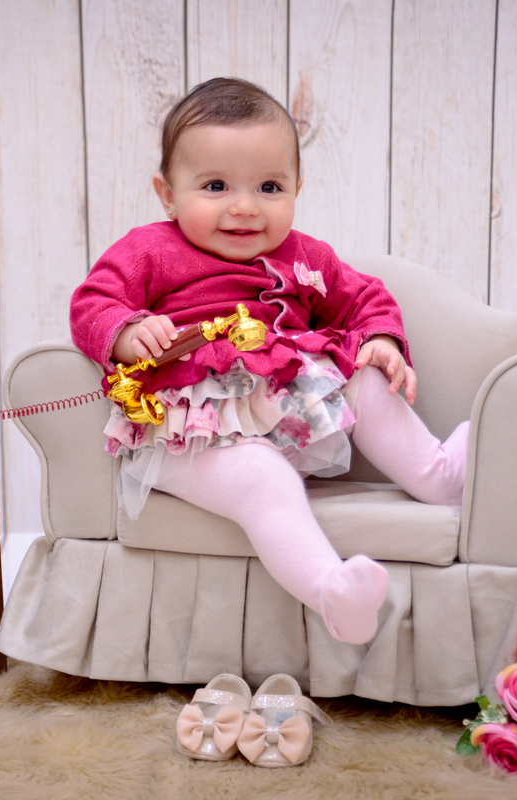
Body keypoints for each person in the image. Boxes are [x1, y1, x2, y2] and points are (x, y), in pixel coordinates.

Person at [70, 77, 468, 646]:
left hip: (292, 419)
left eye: (269, 186)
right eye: (215, 186)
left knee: (366, 378)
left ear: (296, 189)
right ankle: (333, 592)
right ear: (168, 194)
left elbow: (364, 298)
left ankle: (441, 476)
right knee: (260, 475)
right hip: (191, 439)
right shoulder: (150, 250)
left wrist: (382, 340)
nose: (244, 207)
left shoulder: (306, 257)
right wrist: (128, 332)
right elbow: (92, 302)